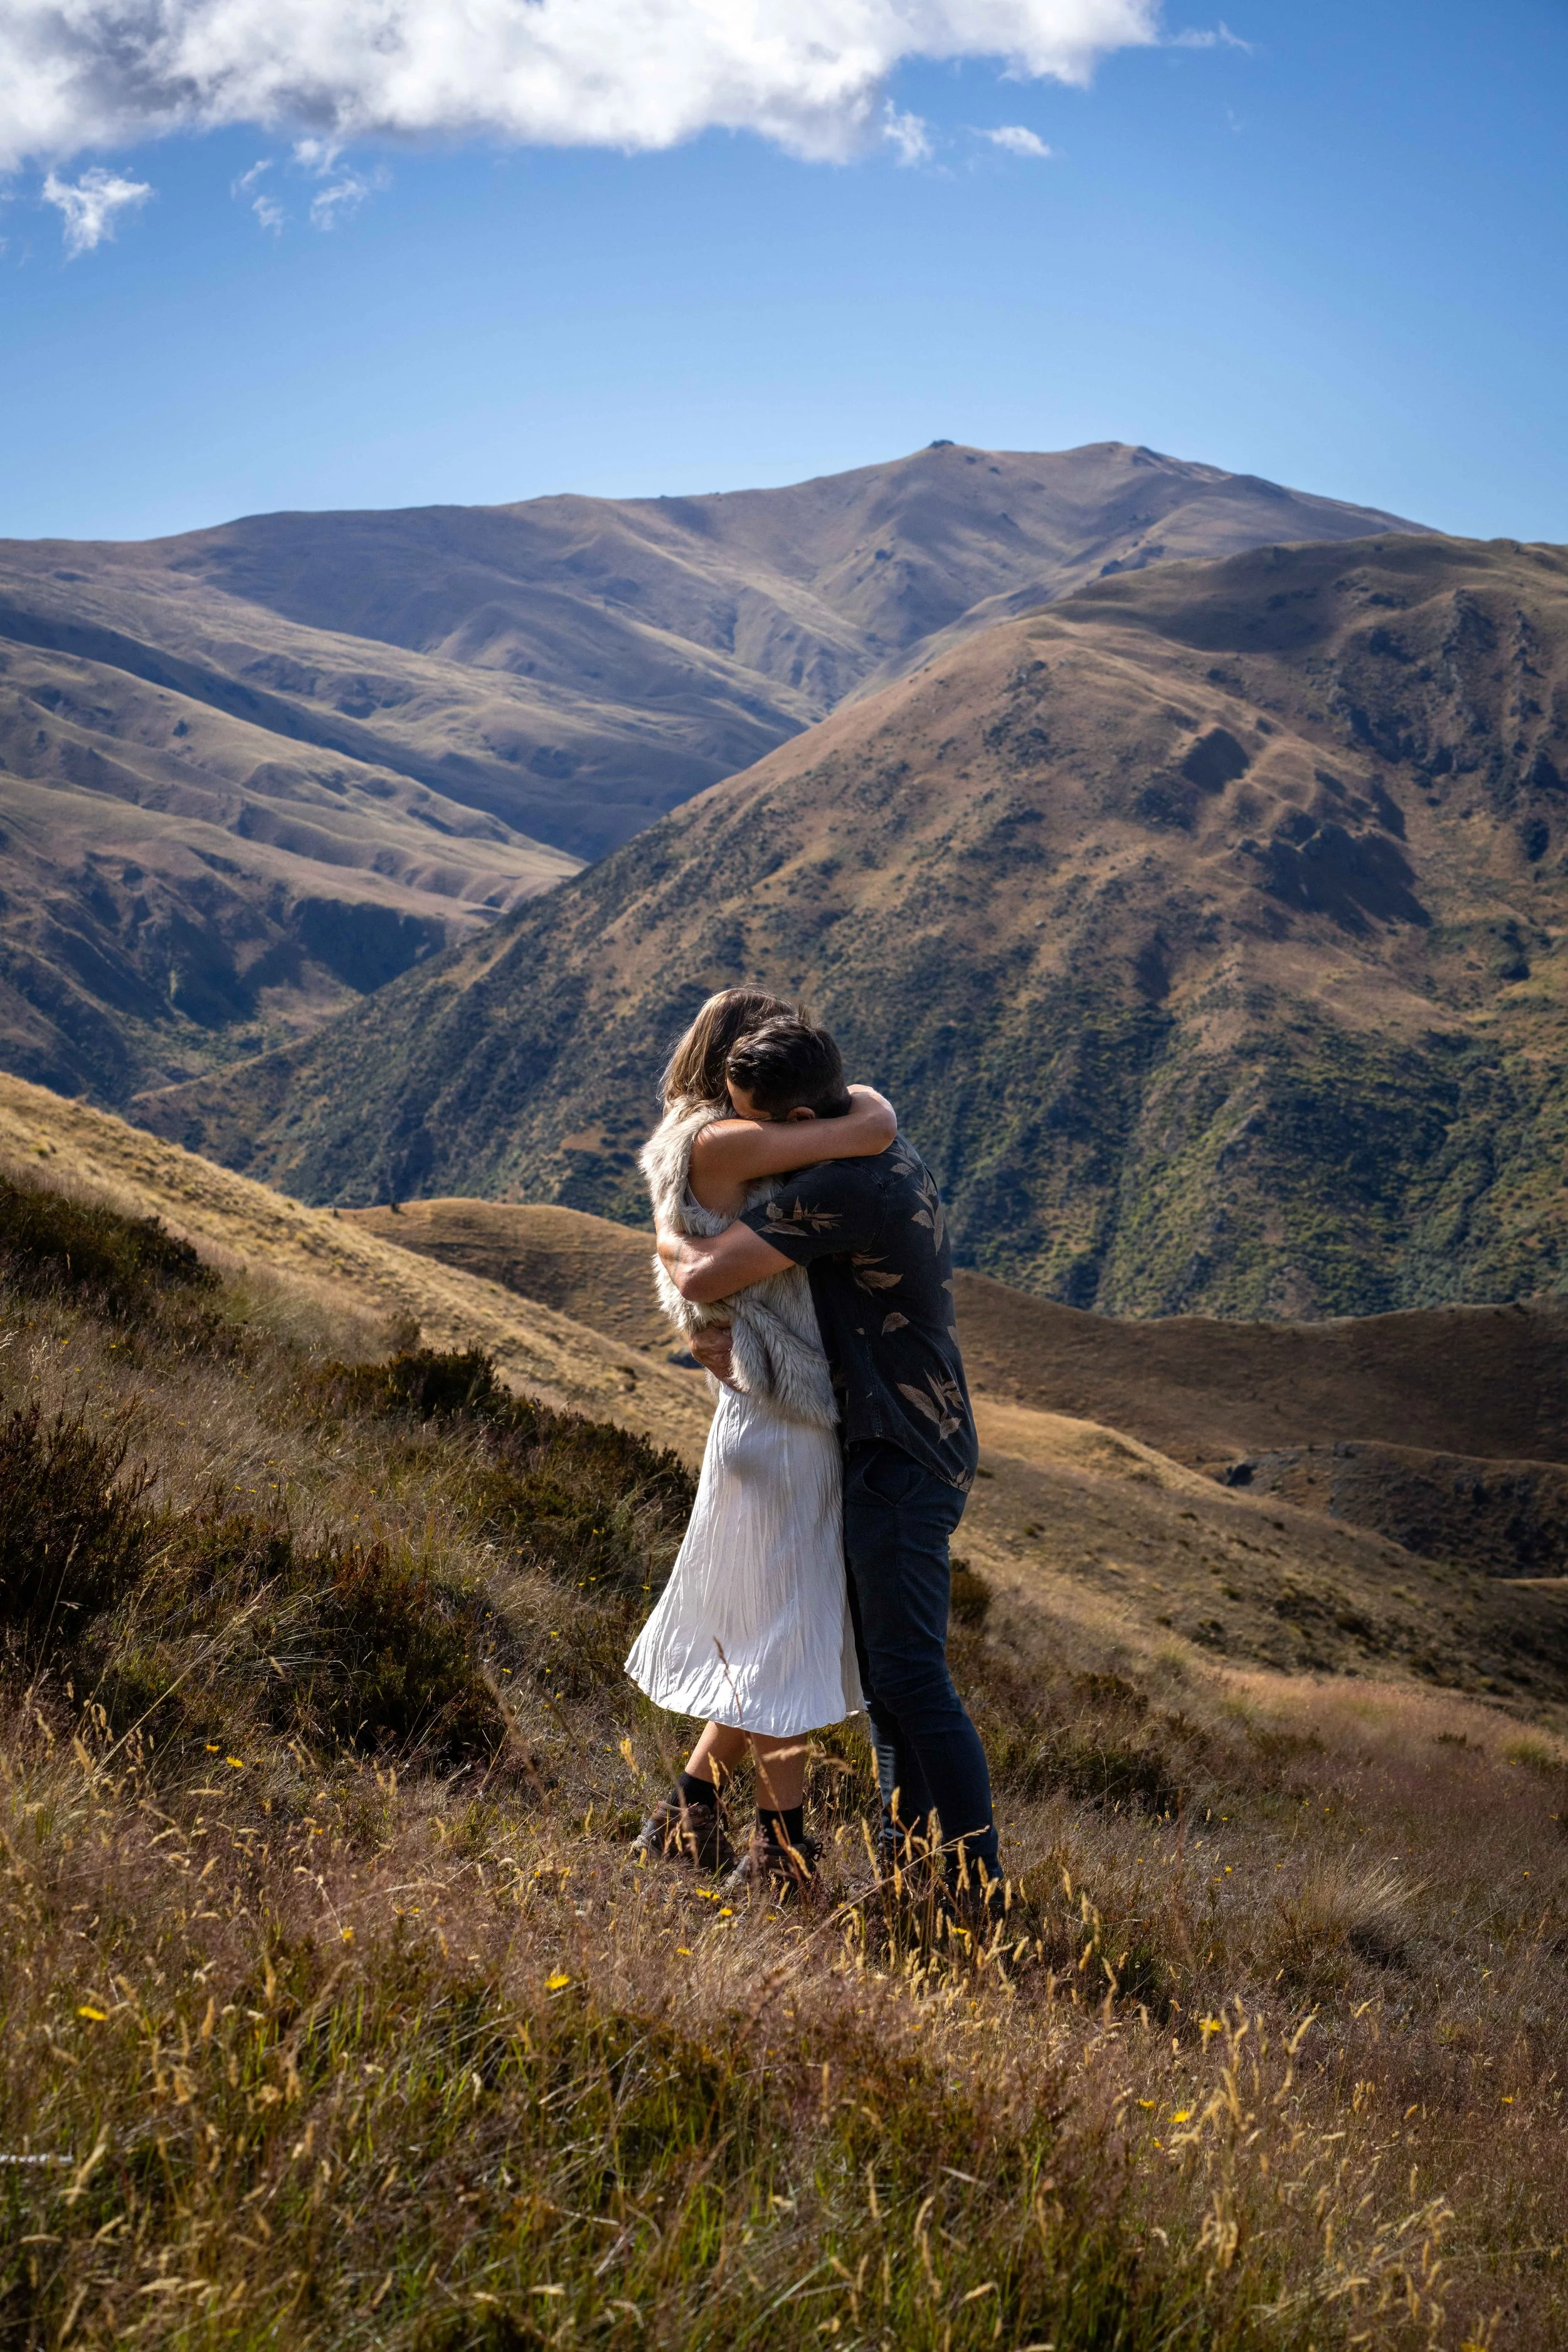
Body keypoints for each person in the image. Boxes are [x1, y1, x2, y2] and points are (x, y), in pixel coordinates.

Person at [657, 1014, 1001, 1898]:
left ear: (802, 1121)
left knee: (910, 1679)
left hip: (896, 1443)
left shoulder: (842, 1188)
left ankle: (969, 1884)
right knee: (891, 1677)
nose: (759, 1145)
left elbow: (701, 1274)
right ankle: (914, 1867)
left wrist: (667, 1245)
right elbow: (869, 1118)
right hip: (913, 1434)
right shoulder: (880, 1152)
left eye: (767, 1128)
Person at [625, 988, 899, 1891]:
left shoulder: (692, 1138)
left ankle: (688, 1808)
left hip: (755, 1412)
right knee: (779, 1645)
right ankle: (782, 1849)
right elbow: (870, 1125)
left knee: (760, 1634)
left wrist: (676, 1244)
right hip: (787, 1418)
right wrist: (825, 1111)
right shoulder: (726, 1140)